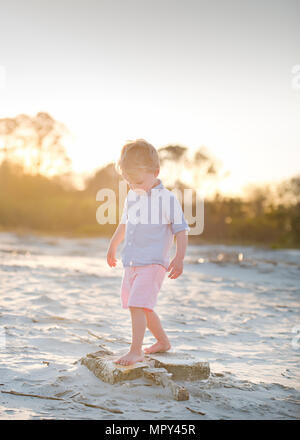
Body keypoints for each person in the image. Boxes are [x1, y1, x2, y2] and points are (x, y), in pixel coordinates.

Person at [106, 139, 190, 366]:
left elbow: (181, 230)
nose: (135, 186)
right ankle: (162, 342)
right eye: (129, 181)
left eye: (140, 181)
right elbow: (124, 224)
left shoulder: (167, 199)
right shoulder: (132, 196)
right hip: (132, 261)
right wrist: (113, 245)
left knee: (137, 304)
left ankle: (136, 351)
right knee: (141, 305)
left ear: (156, 172)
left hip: (153, 263)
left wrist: (179, 257)